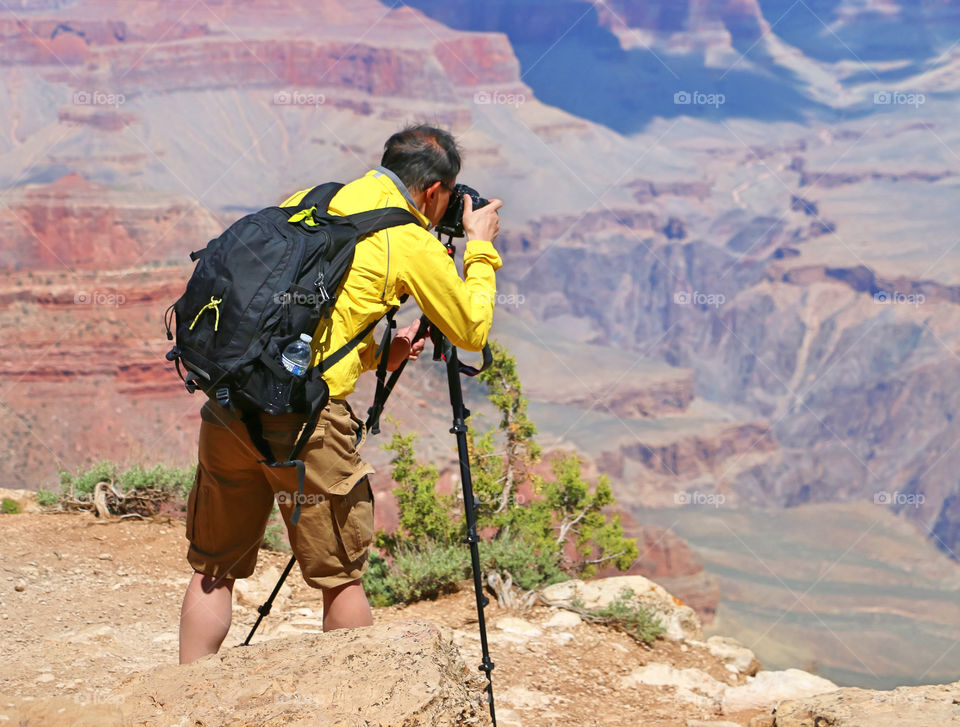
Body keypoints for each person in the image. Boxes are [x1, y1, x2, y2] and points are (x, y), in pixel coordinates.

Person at [178, 124, 503, 664]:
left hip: (232, 403)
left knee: (214, 569)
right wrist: (480, 249)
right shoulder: (408, 238)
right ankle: (357, 707)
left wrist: (379, 355)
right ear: (432, 192)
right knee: (341, 580)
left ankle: (184, 701)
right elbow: (471, 329)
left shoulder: (317, 199)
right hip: (307, 423)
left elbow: (298, 316)